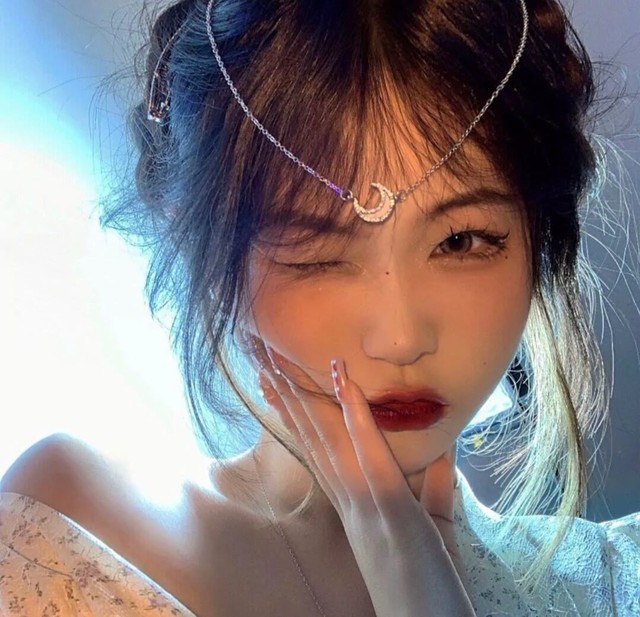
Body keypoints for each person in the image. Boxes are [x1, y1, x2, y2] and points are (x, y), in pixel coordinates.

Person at [1, 0, 638, 614]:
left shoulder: (612, 581)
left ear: (539, 240)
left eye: (460, 241)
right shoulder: (76, 538)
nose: (400, 338)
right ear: (207, 258)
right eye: (315, 253)